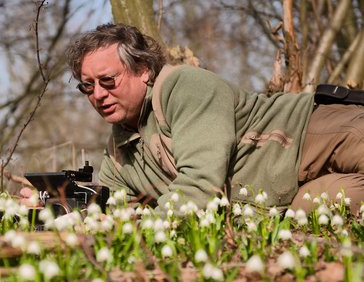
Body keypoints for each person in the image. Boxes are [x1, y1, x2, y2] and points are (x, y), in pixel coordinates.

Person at [64, 23, 364, 215]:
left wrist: (146, 228)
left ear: (142, 69)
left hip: (316, 130)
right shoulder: (119, 152)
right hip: (290, 190)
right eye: (87, 86)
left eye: (107, 81)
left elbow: (199, 186)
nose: (98, 95)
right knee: (314, 211)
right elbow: (112, 210)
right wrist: (56, 207)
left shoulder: (184, 88)